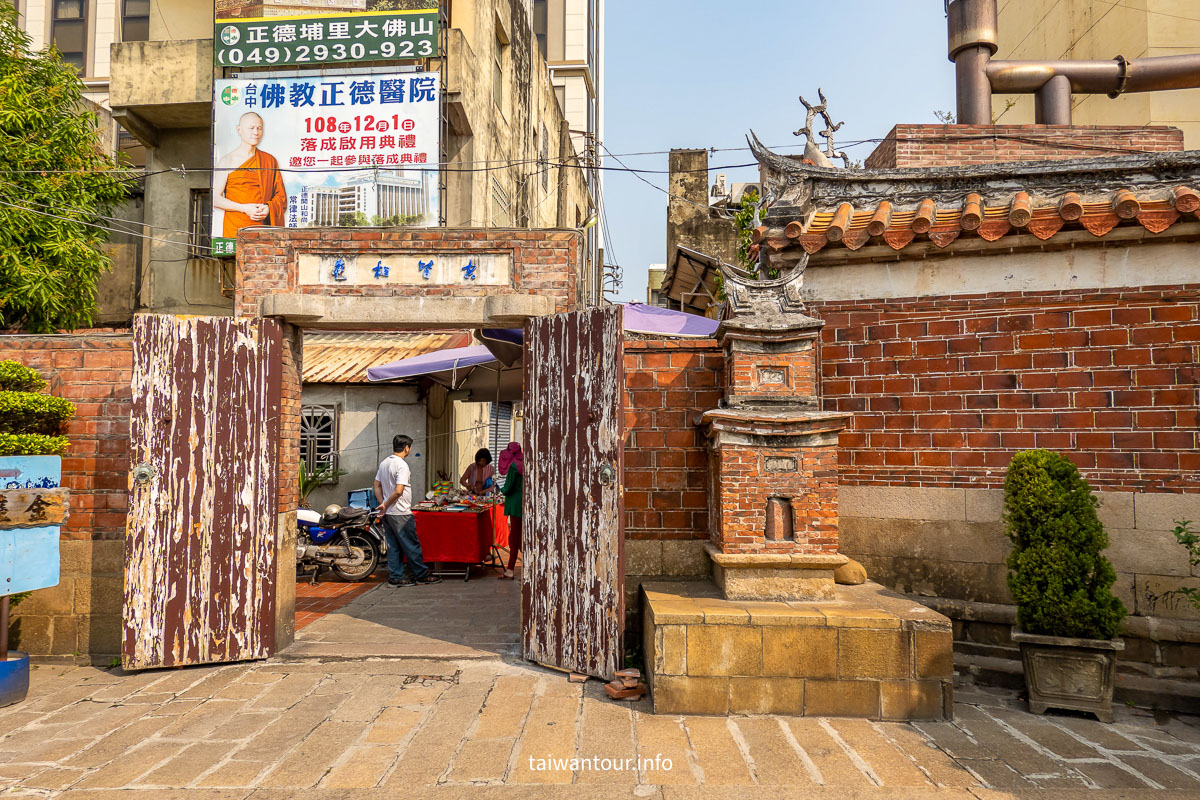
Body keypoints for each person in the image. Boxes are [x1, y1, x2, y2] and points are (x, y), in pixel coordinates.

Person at [373, 434, 441, 586]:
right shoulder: (401, 465)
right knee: (411, 544)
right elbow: (398, 491)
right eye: (409, 447)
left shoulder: (384, 463)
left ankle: (396, 577)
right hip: (400, 512)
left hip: (388, 513)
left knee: (393, 546)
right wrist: (385, 504)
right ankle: (420, 575)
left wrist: (382, 503)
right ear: (406, 448)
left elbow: (376, 485)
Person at [213, 111, 288, 238]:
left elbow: (281, 197)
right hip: (236, 229)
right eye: (251, 128)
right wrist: (244, 208)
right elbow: (214, 198)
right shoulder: (227, 160)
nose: (256, 132)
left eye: (259, 128)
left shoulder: (269, 160)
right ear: (239, 129)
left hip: (264, 230)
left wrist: (268, 208)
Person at [497, 442, 523, 580]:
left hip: (514, 505)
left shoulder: (513, 466)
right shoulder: (524, 462)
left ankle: (511, 569)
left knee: (515, 537)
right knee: (517, 536)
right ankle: (510, 568)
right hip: (523, 504)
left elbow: (508, 488)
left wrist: (500, 489)